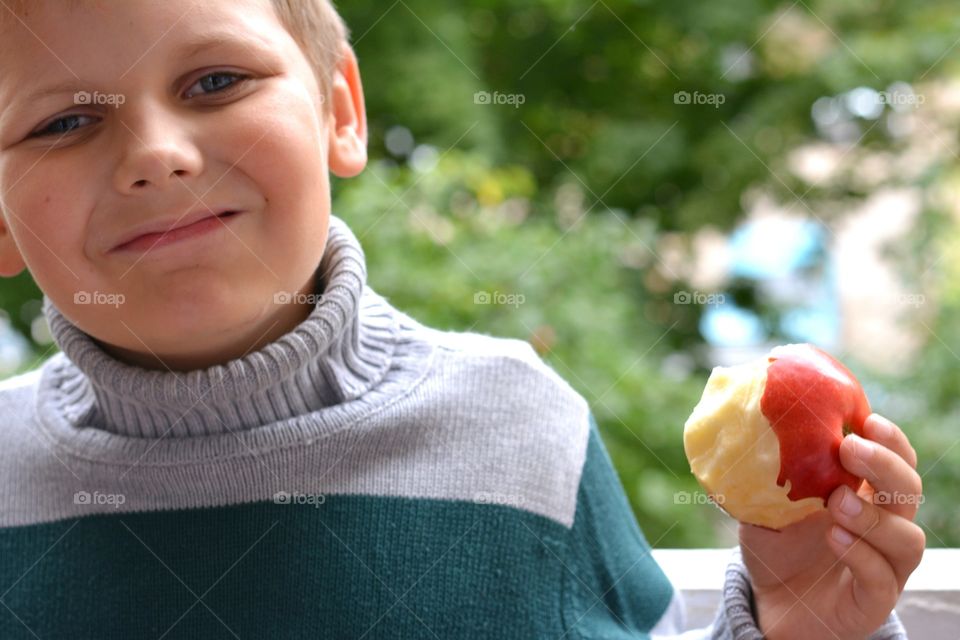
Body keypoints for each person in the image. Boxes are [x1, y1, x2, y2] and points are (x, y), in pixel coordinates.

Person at [0, 1, 921, 637]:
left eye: (214, 82)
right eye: (64, 123)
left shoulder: (523, 432)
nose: (156, 156)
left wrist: (798, 635)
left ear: (340, 112)